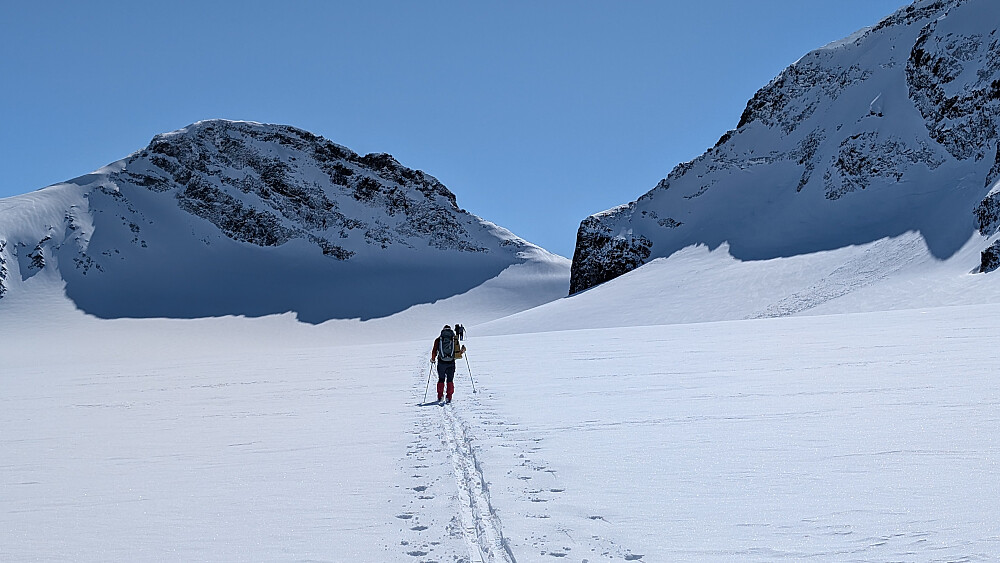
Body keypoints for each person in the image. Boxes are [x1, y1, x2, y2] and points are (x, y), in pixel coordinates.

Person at [431, 325, 466, 404]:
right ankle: (449, 397)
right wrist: (462, 351)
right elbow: (457, 353)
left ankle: (440, 396)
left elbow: (434, 351)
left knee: (441, 379)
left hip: (441, 362)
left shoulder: (438, 339)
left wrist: (433, 359)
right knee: (450, 380)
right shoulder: (454, 339)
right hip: (451, 362)